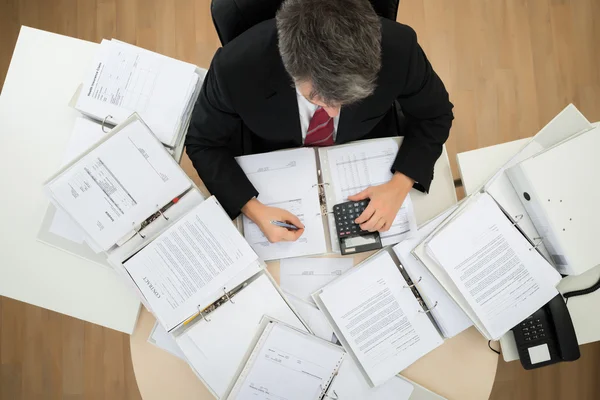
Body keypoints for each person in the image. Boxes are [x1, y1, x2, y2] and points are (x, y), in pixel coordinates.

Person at [186, 0, 453, 243]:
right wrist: (253, 209)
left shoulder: (399, 47)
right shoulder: (234, 67)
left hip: (364, 155)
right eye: (318, 98)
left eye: (345, 100)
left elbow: (436, 114)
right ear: (289, 66)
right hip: (272, 154)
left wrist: (399, 185)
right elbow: (203, 143)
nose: (333, 113)